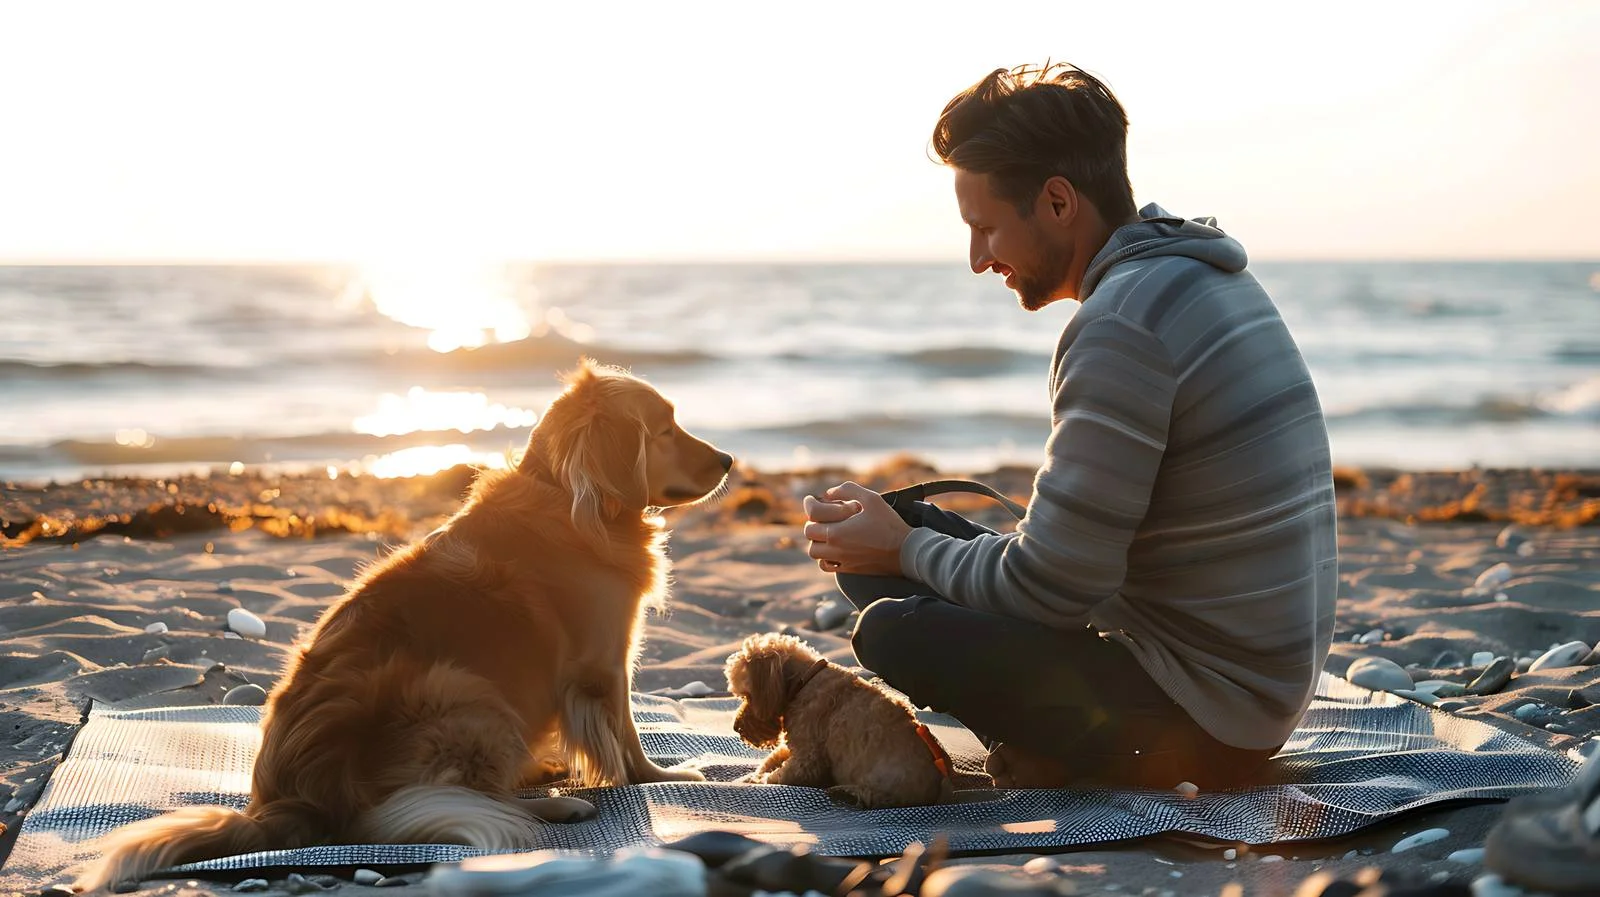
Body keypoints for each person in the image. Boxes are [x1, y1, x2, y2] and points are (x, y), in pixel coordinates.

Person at [802, 62, 1338, 790]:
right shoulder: (1195, 275)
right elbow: (1074, 571)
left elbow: (1052, 587)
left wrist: (905, 550)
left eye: (986, 227)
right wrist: (899, 539)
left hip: (1208, 715)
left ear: (1057, 201)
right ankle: (1055, 740)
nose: (977, 258)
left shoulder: (1120, 323)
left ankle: (1080, 752)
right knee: (892, 539)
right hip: (1239, 679)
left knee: (895, 626)